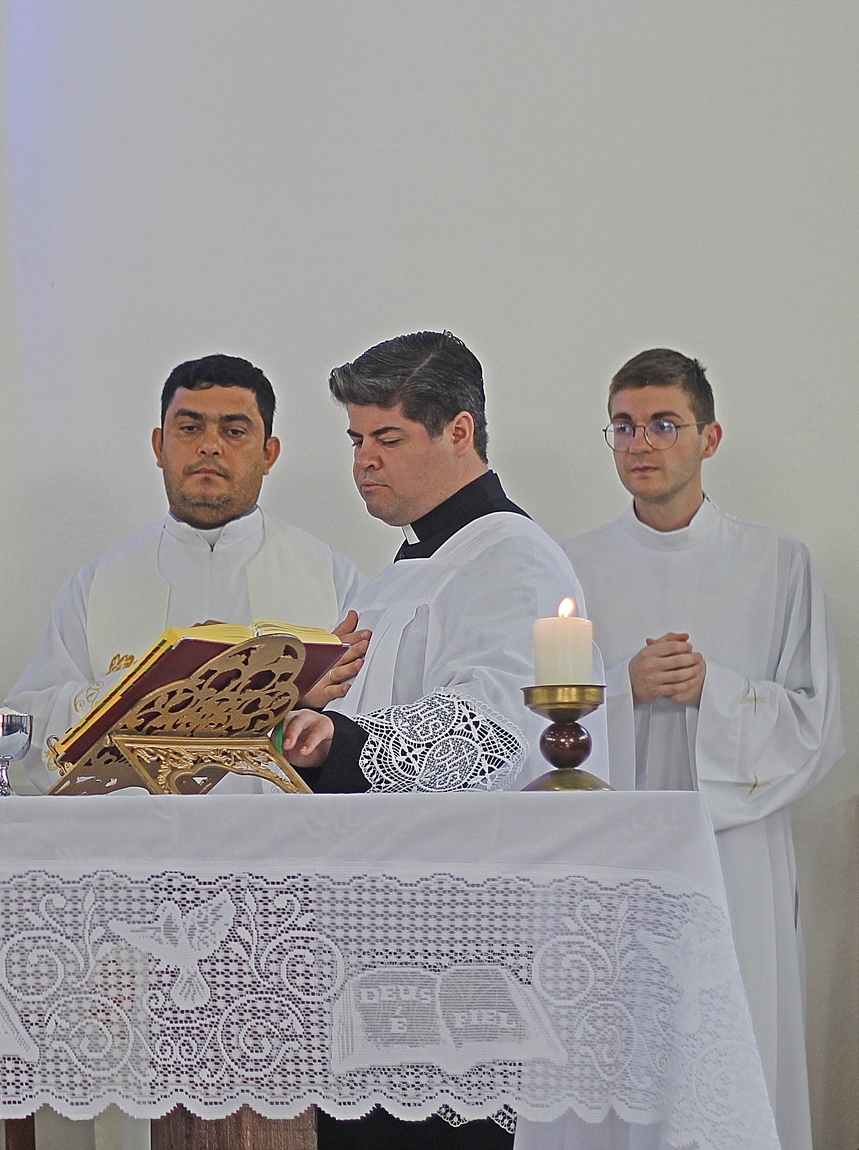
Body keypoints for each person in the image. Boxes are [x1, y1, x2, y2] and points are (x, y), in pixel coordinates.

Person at [277, 332, 608, 1150]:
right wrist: (307, 705)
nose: (364, 462)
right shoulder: (410, 567)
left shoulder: (512, 559)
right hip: (381, 933)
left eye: (387, 438)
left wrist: (340, 741)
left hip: (466, 943)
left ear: (460, 431)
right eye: (356, 440)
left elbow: (493, 730)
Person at [559, 350, 840, 1150]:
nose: (640, 444)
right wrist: (624, 687)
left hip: (736, 856)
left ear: (709, 437)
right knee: (619, 1052)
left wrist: (713, 692)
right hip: (615, 852)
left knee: (734, 1045)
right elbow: (535, 721)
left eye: (662, 425)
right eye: (622, 427)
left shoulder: (778, 564)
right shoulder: (572, 565)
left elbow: (817, 726)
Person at [6, 353, 367, 793]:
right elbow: (33, 725)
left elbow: (372, 724)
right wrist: (153, 681)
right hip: (136, 830)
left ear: (269, 454)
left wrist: (294, 698)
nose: (210, 446)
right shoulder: (96, 585)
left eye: (234, 431)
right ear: (159, 446)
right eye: (190, 428)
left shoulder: (332, 578)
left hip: (277, 829)